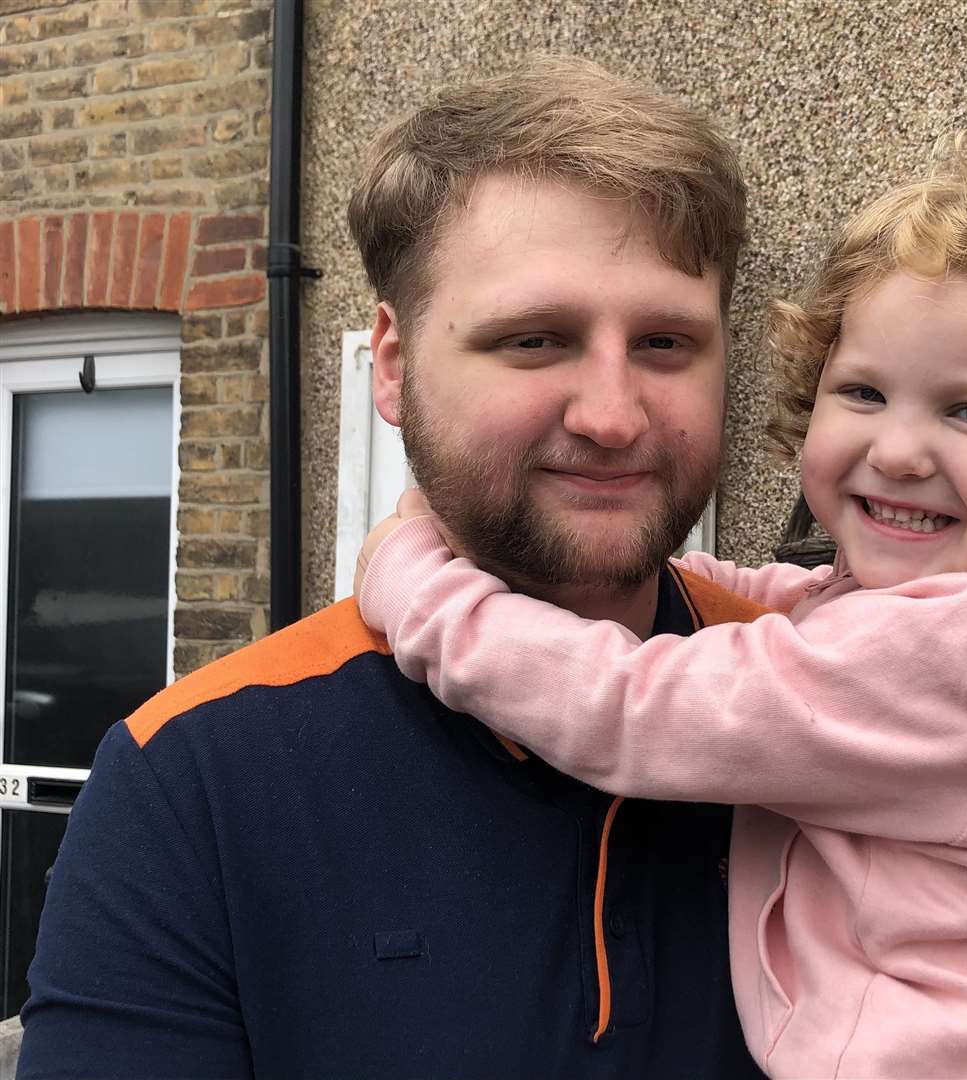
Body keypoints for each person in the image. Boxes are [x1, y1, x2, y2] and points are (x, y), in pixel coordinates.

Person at [354, 136, 967, 1077]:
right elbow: (817, 606)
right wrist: (657, 572)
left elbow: (637, 711)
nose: (900, 450)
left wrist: (421, 586)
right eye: (863, 392)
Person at [19, 56, 768, 1079]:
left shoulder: (817, 699)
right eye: (535, 339)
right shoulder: (194, 784)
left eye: (666, 342)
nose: (611, 414)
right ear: (393, 362)